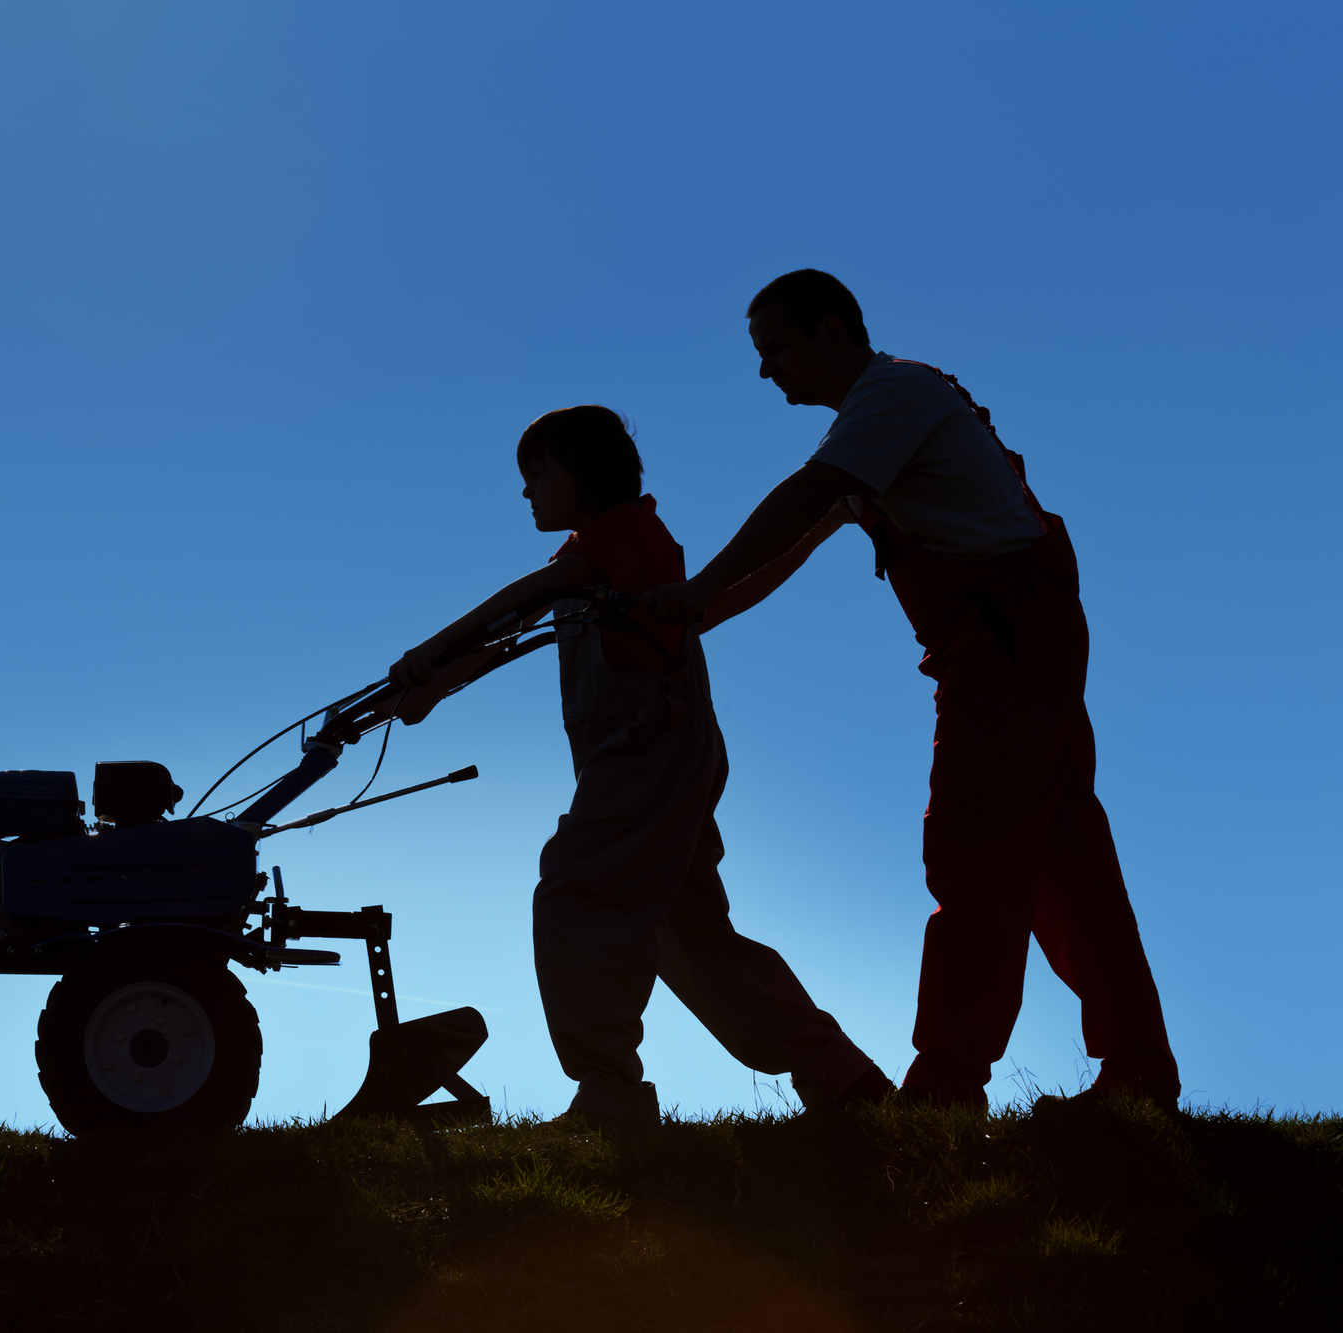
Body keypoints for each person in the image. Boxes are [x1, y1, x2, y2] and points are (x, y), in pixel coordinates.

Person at [641, 270, 1180, 1110]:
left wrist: (698, 586)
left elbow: (805, 497)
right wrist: (692, 618)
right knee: (1063, 861)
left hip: (1002, 641)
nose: (764, 371)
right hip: (1019, 636)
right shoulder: (880, 426)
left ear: (832, 332)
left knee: (969, 849)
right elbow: (794, 545)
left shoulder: (890, 394)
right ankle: (1138, 1072)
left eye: (776, 348)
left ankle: (947, 1087)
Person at [388, 405, 892, 1124]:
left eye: (538, 473)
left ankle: (610, 1087)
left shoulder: (624, 532)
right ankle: (839, 1074)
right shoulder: (591, 562)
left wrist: (432, 648)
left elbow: (529, 598)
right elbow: (516, 633)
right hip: (647, 756)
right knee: (688, 932)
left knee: (577, 890)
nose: (526, 491)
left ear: (586, 474)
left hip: (650, 748)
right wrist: (438, 684)